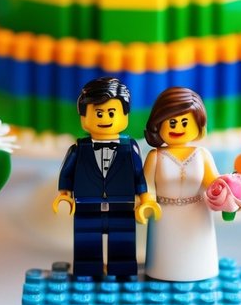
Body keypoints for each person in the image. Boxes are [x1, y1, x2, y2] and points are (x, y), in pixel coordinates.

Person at [52, 77, 160, 278]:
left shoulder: (130, 148)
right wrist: (64, 194)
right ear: (83, 118)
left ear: (125, 115)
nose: (104, 118)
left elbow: (139, 175)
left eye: (111, 112)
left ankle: (122, 272)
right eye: (98, 113)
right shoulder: (78, 149)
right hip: (86, 204)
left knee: (123, 240)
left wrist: (145, 199)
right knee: (86, 240)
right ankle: (87, 270)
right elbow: (67, 173)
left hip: (122, 204)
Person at [143, 86, 222, 282]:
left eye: (184, 121)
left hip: (197, 214)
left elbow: (214, 182)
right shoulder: (155, 156)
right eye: (171, 122)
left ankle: (200, 270)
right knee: (165, 257)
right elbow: (147, 185)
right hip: (164, 215)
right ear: (158, 124)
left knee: (197, 253)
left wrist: (231, 191)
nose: (177, 127)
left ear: (198, 123)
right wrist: (147, 201)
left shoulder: (202, 155)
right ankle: (162, 271)